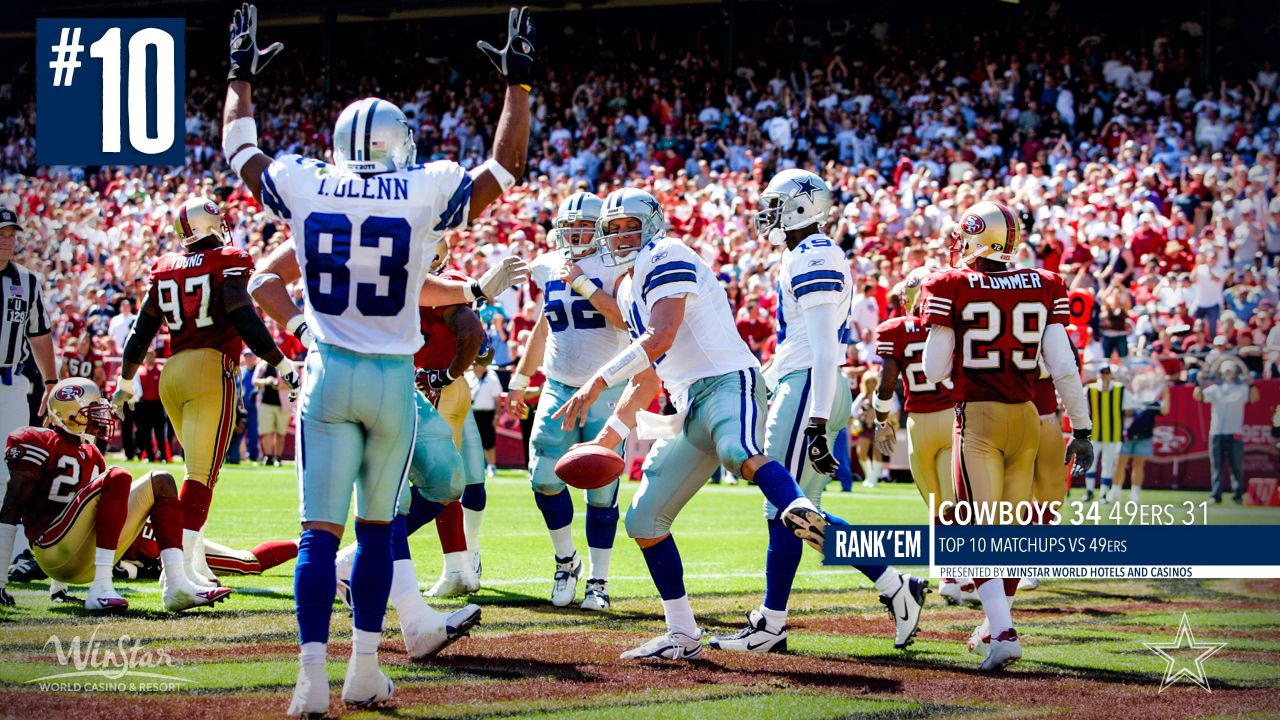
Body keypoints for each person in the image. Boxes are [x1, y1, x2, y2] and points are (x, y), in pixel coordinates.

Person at [223, 4, 534, 713]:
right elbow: (505, 168)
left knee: (317, 536)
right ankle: (364, 668)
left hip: (328, 373)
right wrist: (519, 85)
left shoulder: (306, 182)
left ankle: (309, 682)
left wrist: (239, 76)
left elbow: (239, 152)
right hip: (394, 380)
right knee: (375, 533)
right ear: (404, 142)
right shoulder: (424, 188)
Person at [553, 187, 823, 661]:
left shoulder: (668, 252)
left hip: (725, 382)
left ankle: (801, 507)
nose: (619, 235)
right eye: (612, 228)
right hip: (685, 405)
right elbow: (647, 379)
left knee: (740, 452)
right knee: (643, 520)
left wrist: (597, 381)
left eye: (628, 226)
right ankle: (682, 634)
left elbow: (662, 336)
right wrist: (605, 440)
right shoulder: (623, 287)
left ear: (651, 224)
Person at [710, 170, 927, 655]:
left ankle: (774, 622)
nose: (766, 214)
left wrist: (813, 420)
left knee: (784, 509)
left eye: (775, 204)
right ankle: (893, 585)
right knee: (796, 512)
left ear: (801, 208)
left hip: (812, 385)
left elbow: (826, 349)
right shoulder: (804, 254)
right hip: (805, 381)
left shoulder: (815, 255)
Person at [920, 200, 1093, 671]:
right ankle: (995, 623)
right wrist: (1083, 427)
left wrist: (950, 378)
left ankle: (1003, 632)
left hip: (979, 416)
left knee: (975, 531)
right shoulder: (1044, 283)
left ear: (976, 235)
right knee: (1014, 532)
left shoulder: (950, 283)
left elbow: (933, 366)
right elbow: (1064, 368)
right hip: (1028, 416)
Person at [110, 196, 297, 598]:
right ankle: (176, 576)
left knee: (196, 471)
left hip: (171, 375)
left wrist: (125, 381)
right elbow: (241, 312)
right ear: (210, 225)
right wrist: (280, 362)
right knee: (201, 475)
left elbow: (141, 332)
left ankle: (192, 565)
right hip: (210, 370)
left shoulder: (165, 268)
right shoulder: (228, 259)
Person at [0, 378, 231, 612]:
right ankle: (101, 586)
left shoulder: (92, 455)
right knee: (118, 476)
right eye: (92, 410)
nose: (100, 415)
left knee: (162, 480)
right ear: (70, 414)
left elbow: (81, 515)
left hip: (80, 558)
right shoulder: (38, 441)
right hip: (49, 550)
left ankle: (176, 584)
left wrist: (59, 589)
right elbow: (11, 509)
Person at [505, 191, 630, 610]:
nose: (575, 233)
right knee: (543, 477)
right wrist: (520, 378)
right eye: (569, 226)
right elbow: (545, 324)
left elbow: (625, 318)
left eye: (583, 226)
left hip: (607, 387)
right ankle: (565, 560)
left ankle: (599, 580)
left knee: (602, 486)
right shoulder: (545, 264)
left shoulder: (619, 264)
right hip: (558, 385)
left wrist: (583, 283)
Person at [873, 267, 976, 606]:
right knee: (955, 505)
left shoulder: (895, 330)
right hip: (950, 418)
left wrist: (881, 421)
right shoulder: (952, 327)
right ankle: (958, 575)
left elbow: (886, 383)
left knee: (936, 506)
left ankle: (950, 574)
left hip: (918, 424)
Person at [0, 206, 60, 576]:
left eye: (11, 234)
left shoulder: (26, 281)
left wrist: (50, 382)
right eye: (2, 233)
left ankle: (19, 552)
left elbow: (39, 333)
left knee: (15, 469)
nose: (7, 240)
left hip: (10, 382)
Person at [1193, 361, 1260, 504]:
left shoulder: (1241, 389)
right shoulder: (1214, 389)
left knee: (1236, 466)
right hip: (1216, 432)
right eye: (1226, 371)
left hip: (1235, 432)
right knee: (1216, 466)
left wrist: (1251, 383)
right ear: (1222, 373)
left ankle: (1237, 496)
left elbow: (1254, 398)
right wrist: (1198, 381)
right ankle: (1215, 495)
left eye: (1230, 371)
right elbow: (1198, 397)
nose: (1228, 374)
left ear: (1235, 372)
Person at [1113, 371, 1171, 504]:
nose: (1141, 385)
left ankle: (1135, 494)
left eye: (1144, 383)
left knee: (1138, 466)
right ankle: (1114, 491)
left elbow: (1164, 410)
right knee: (1119, 464)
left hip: (1144, 437)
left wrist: (1166, 394)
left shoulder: (1151, 401)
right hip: (1125, 436)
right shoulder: (1127, 397)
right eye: (1139, 382)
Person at [1085, 366, 1125, 503]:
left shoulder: (1120, 389)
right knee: (1091, 463)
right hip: (1094, 434)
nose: (1105, 375)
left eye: (1108, 373)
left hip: (1112, 434)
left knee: (1107, 465)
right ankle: (1089, 491)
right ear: (1099, 373)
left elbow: (1129, 410)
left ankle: (1103, 494)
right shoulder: (1090, 390)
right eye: (1103, 372)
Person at [468, 361, 504, 477]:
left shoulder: (492, 377)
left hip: (487, 413)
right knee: (473, 442)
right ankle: (476, 467)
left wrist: (497, 416)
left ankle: (491, 466)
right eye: (473, 364)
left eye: (475, 364)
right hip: (473, 413)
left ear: (483, 366)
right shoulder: (469, 377)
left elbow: (497, 400)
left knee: (489, 441)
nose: (473, 366)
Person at [253, 358, 288, 466]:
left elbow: (296, 382)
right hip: (265, 403)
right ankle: (268, 457)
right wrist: (266, 381)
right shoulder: (262, 365)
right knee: (266, 432)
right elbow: (254, 381)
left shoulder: (288, 364)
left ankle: (278, 458)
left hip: (283, 405)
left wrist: (280, 385)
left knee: (280, 433)